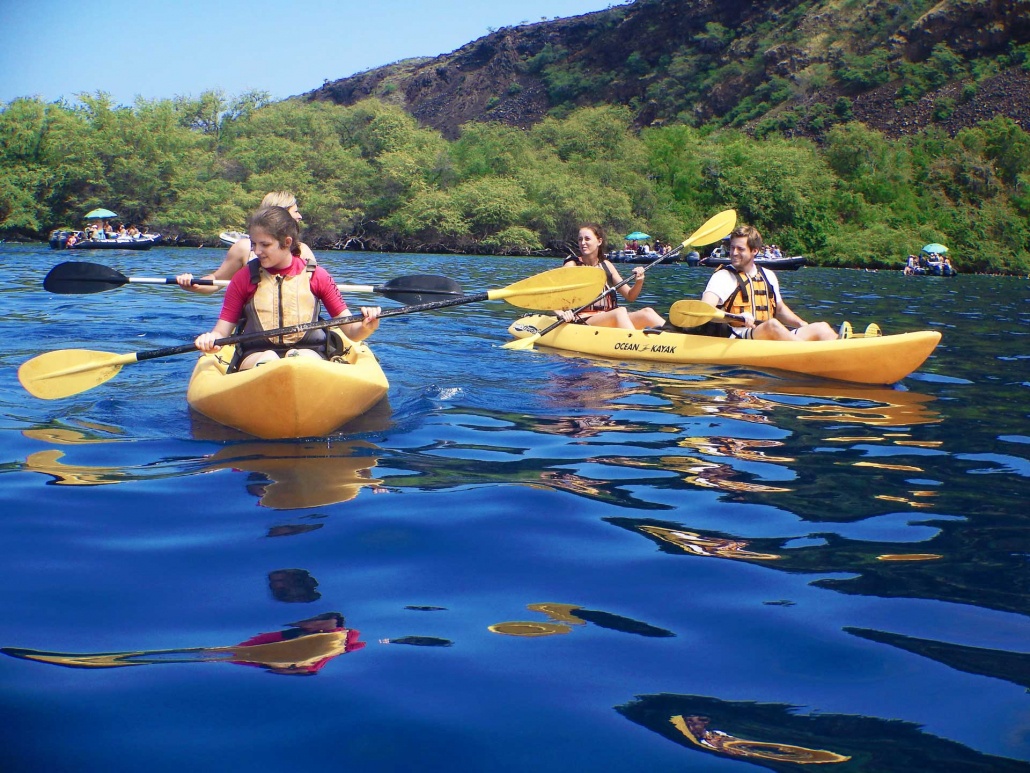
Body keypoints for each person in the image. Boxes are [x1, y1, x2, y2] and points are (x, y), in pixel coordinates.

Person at [193, 206, 380, 370]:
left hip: (309, 354)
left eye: (265, 245)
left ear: (287, 242)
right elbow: (221, 332)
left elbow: (352, 332)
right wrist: (211, 340)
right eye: (254, 244)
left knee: (299, 358)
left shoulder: (317, 276)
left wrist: (367, 326)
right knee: (269, 358)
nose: (257, 251)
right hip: (256, 356)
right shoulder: (243, 278)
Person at [696, 225, 837, 341]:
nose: (734, 253)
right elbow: (704, 312)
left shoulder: (768, 275)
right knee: (772, 325)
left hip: (768, 335)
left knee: (822, 327)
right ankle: (809, 354)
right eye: (732, 248)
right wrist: (737, 318)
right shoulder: (722, 277)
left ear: (754, 251)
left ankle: (840, 352)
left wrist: (801, 323)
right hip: (737, 336)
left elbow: (780, 309)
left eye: (740, 249)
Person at [176, 190, 316, 294]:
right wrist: (193, 284)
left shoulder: (302, 250)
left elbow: (318, 287)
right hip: (252, 325)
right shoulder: (244, 248)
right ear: (281, 214)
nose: (300, 216)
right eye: (295, 211)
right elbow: (217, 280)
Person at [557, 223, 664, 330]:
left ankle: (676, 337)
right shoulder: (572, 265)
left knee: (647, 312)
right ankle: (636, 343)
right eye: (580, 239)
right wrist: (561, 313)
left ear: (599, 241)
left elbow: (630, 295)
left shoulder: (606, 266)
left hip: (610, 318)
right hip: (583, 320)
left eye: (587, 239)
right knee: (619, 312)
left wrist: (639, 281)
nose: (583, 243)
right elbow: (551, 294)